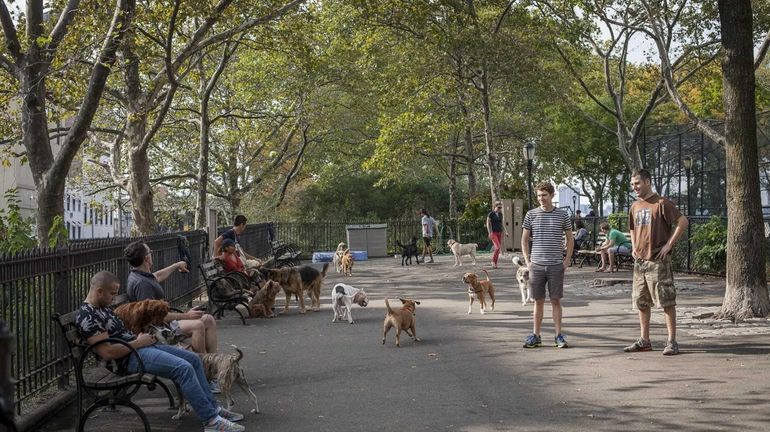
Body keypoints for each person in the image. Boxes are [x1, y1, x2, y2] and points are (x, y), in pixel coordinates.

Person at [76, 271, 245, 432]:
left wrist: (141, 339)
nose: (114, 298)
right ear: (99, 291)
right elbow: (108, 353)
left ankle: (213, 408)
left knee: (194, 359)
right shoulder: (88, 317)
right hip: (129, 358)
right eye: (112, 294)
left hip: (138, 347)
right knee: (183, 369)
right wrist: (138, 342)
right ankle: (211, 421)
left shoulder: (101, 308)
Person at [625, 169, 688, 356]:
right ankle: (644, 341)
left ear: (647, 182)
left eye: (637, 183)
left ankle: (672, 342)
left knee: (666, 301)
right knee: (641, 302)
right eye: (632, 184)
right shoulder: (635, 206)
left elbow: (682, 222)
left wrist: (669, 245)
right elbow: (632, 229)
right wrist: (634, 247)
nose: (634, 187)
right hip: (640, 263)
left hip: (658, 262)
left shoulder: (661, 203)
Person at [124, 241, 218, 355]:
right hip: (157, 330)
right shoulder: (142, 285)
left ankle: (214, 360)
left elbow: (158, 276)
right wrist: (187, 315)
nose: (151, 254)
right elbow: (154, 318)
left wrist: (176, 265)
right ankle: (204, 366)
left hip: (165, 323)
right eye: (150, 252)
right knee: (197, 326)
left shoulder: (141, 274)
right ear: (146, 258)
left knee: (208, 319)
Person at [521, 182, 574, 349]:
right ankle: (536, 335)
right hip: (536, 264)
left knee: (556, 300)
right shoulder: (531, 214)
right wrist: (528, 261)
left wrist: (566, 261)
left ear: (552, 195)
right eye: (538, 195)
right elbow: (524, 240)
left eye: (544, 195)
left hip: (556, 264)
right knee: (538, 300)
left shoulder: (562, 215)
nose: (541, 198)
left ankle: (558, 335)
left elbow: (570, 239)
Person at [486, 201, 508, 269]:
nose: (500, 209)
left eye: (501, 207)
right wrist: (489, 232)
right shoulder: (491, 214)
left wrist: (506, 231)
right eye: (498, 207)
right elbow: (488, 224)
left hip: (500, 232)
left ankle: (495, 263)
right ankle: (493, 261)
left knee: (498, 249)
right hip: (493, 233)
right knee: (497, 247)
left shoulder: (500, 214)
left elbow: (502, 224)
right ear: (495, 207)